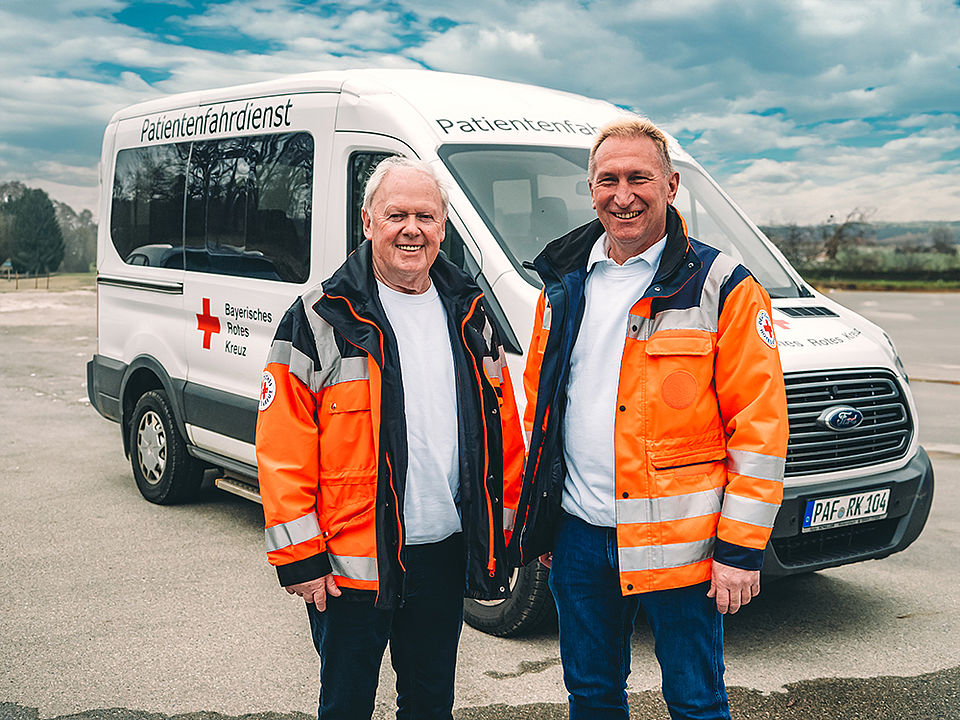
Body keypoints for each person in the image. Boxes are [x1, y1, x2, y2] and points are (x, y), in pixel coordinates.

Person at [509, 117, 789, 720]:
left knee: (695, 702)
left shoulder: (724, 288)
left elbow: (760, 429)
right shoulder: (562, 284)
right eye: (607, 179)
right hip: (580, 535)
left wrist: (739, 550)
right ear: (590, 190)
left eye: (640, 177)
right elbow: (543, 409)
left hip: (682, 540)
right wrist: (543, 519)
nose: (623, 194)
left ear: (671, 186)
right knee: (591, 696)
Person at [255, 155, 525, 720]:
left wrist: (510, 524)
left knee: (430, 704)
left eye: (425, 216)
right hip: (353, 560)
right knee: (346, 704)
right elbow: (283, 448)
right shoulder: (320, 317)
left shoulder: (470, 313)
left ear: (443, 226)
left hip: (443, 553)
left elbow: (502, 432)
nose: (411, 229)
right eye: (396, 214)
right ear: (368, 221)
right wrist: (301, 556)